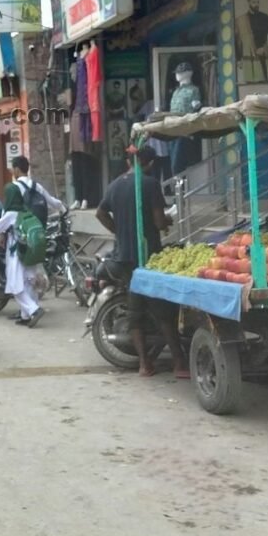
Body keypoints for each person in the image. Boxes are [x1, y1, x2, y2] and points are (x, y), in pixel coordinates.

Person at [95, 147, 188, 379]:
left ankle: (145, 364)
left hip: (123, 256)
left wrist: (119, 232)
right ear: (150, 163)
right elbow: (158, 221)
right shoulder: (149, 184)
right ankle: (178, 362)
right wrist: (167, 220)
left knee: (135, 310)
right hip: (147, 256)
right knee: (163, 311)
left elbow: (100, 213)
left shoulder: (115, 184)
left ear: (130, 161)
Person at [0, 183, 45, 328]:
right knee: (28, 283)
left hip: (16, 254)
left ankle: (34, 310)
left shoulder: (10, 213)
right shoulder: (26, 210)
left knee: (14, 286)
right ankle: (26, 315)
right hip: (29, 252)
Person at [10, 155, 67, 221]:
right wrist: (62, 207)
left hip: (22, 226)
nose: (12, 172)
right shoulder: (37, 186)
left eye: (12, 169)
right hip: (39, 226)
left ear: (17, 169)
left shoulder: (13, 187)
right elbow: (51, 201)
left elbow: (9, 211)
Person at [236, 0, 268, 82]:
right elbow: (238, 41)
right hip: (249, 58)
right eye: (253, 2)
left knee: (264, 81)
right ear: (248, 2)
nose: (256, 5)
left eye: (258, 2)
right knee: (250, 83)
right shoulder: (241, 20)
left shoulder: (266, 18)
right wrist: (238, 59)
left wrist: (264, 48)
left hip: (263, 56)